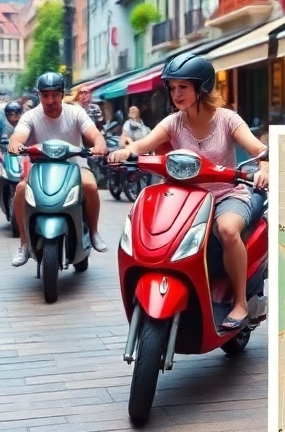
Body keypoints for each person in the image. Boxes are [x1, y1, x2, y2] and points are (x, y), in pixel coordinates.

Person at [108, 53, 268, 330]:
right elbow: (142, 144)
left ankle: (240, 303)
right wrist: (125, 152)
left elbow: (259, 150)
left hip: (226, 194)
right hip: (186, 199)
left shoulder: (227, 120)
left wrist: (264, 168)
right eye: (172, 88)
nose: (176, 94)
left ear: (202, 87)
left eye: (183, 87)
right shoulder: (174, 122)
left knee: (228, 230)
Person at [7, 72, 108, 266]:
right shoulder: (30, 116)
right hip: (40, 169)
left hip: (75, 166)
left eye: (55, 94)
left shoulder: (76, 113)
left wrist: (99, 145)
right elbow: (17, 137)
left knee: (90, 185)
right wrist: (15, 145)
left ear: (62, 94)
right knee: (20, 190)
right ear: (39, 95)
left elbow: (95, 135)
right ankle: (24, 244)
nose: (50, 100)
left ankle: (94, 232)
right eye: (45, 95)